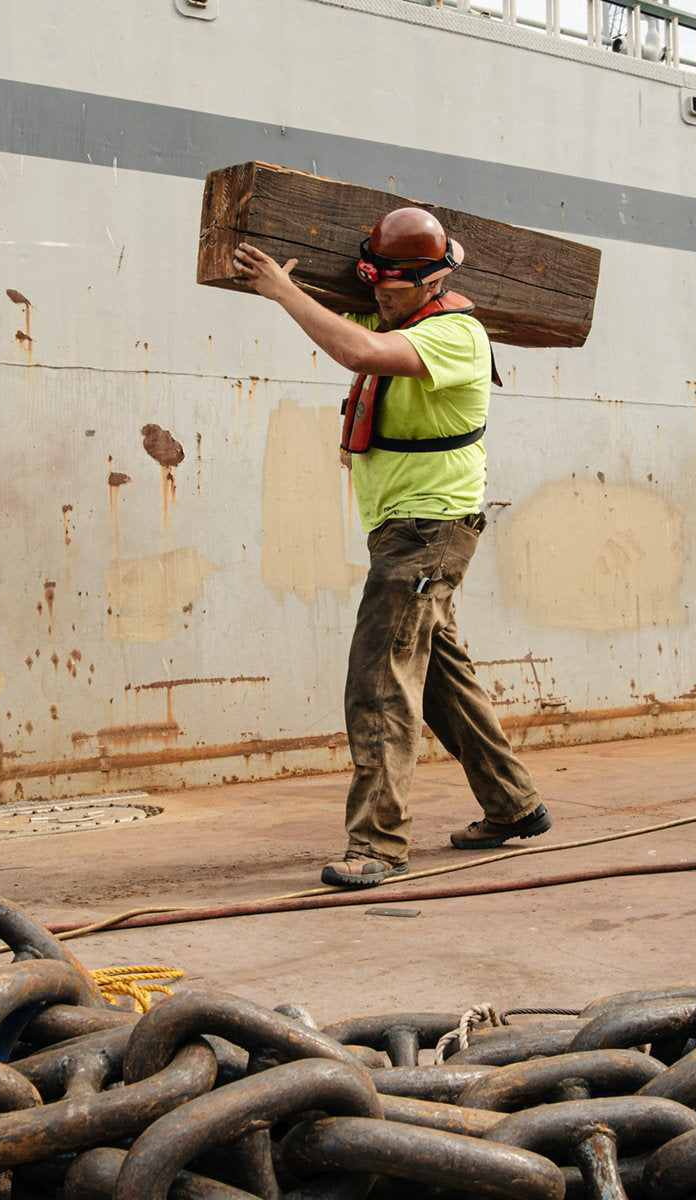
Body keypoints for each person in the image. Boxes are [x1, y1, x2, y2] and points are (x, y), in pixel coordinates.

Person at [233, 206, 551, 888]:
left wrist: (282, 291)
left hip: (427, 529)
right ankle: (514, 804)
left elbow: (359, 352)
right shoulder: (394, 315)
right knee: (436, 676)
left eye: (395, 284)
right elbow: (352, 322)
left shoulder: (456, 334)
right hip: (404, 528)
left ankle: (378, 844)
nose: (379, 292)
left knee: (379, 680)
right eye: (372, 279)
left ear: (434, 281)